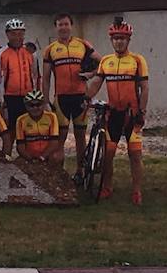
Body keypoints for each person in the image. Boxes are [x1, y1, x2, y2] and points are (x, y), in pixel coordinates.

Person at [85, 18, 149, 205]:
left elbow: (144, 87)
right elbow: (97, 83)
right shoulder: (106, 61)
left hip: (132, 114)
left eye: (122, 38)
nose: (119, 42)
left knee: (135, 155)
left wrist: (142, 111)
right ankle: (107, 187)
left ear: (128, 40)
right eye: (115, 38)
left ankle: (136, 191)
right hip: (113, 114)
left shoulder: (137, 60)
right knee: (108, 154)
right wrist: (86, 97)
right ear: (111, 40)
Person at [41, 12, 102, 172]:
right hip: (61, 98)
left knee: (80, 136)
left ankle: (80, 172)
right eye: (60, 25)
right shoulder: (50, 49)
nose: (63, 27)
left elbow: (103, 63)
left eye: (66, 24)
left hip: (81, 97)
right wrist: (45, 101)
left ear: (71, 26)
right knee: (60, 137)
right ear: (55, 27)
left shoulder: (83, 44)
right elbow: (46, 78)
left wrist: (91, 74)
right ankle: (58, 173)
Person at [0, 18, 37, 139]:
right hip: (10, 98)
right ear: (7, 34)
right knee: (10, 132)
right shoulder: (0, 53)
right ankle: (8, 152)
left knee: (28, 131)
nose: (17, 37)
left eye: (20, 34)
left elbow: (36, 75)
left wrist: (37, 95)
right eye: (13, 34)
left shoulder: (31, 53)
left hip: (28, 97)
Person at [14, 90, 63, 167]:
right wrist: (30, 159)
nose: (35, 108)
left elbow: (54, 142)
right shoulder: (21, 120)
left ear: (43, 105)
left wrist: (42, 157)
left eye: (38, 104)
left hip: (47, 155)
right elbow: (20, 146)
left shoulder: (52, 117)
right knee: (18, 162)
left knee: (57, 157)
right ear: (26, 106)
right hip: (29, 156)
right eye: (31, 105)